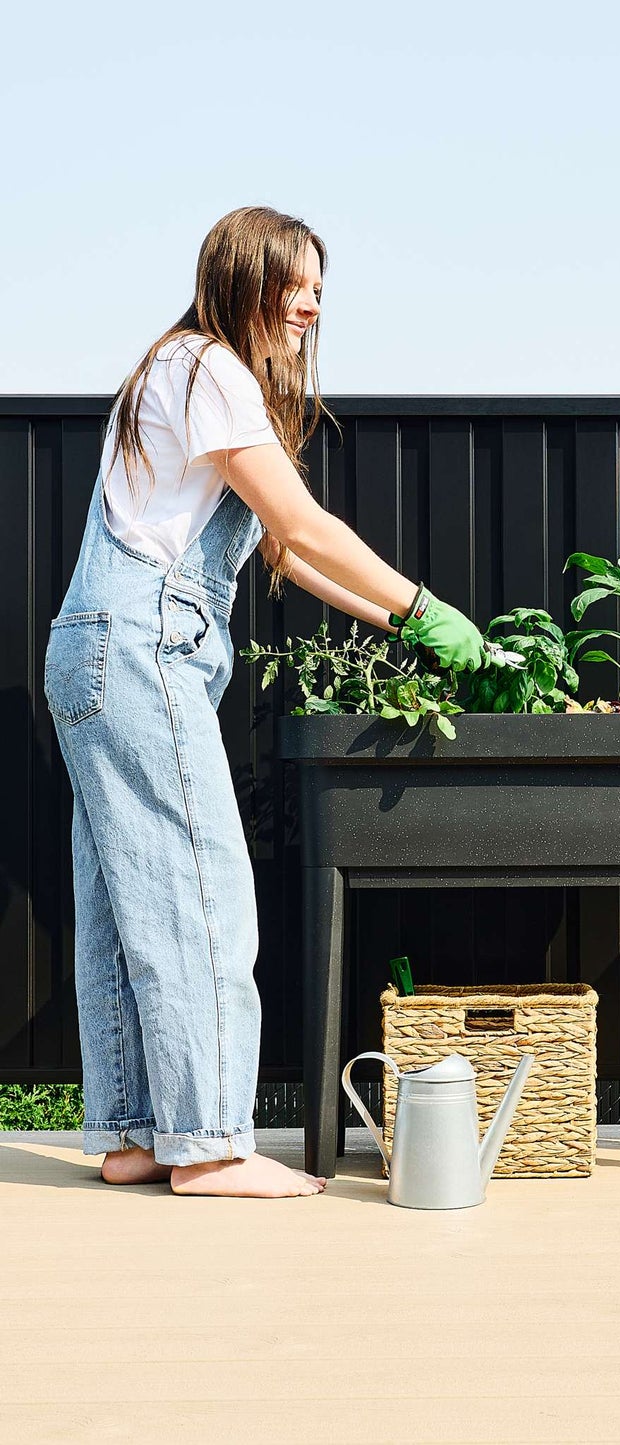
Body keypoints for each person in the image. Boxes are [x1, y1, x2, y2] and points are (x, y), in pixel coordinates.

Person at [43, 205, 485, 1198]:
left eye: (321, 288)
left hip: (100, 646)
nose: (314, 305)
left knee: (127, 900)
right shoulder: (208, 368)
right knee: (203, 890)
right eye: (300, 283)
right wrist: (423, 602)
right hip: (143, 645)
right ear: (249, 277)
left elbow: (286, 552)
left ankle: (137, 1136)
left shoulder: (182, 373)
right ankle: (207, 1144)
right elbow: (301, 519)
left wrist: (402, 626)